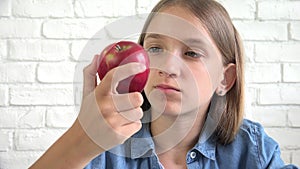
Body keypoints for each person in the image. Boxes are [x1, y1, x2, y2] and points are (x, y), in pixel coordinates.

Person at [30, 0, 298, 168]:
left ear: (224, 79)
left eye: (192, 53)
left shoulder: (252, 150)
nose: (167, 68)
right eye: (156, 48)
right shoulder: (104, 151)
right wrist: (82, 138)